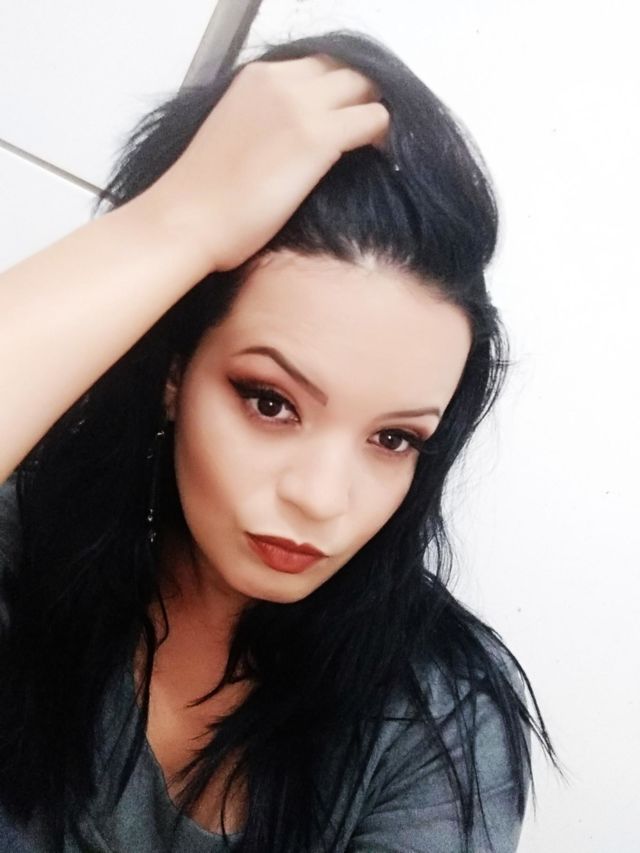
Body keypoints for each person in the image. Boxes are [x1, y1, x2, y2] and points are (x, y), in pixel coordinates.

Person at [0, 30, 557, 853]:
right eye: (270, 402)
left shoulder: (437, 716)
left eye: (394, 437)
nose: (322, 498)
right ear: (175, 370)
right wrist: (178, 225)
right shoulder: (26, 548)